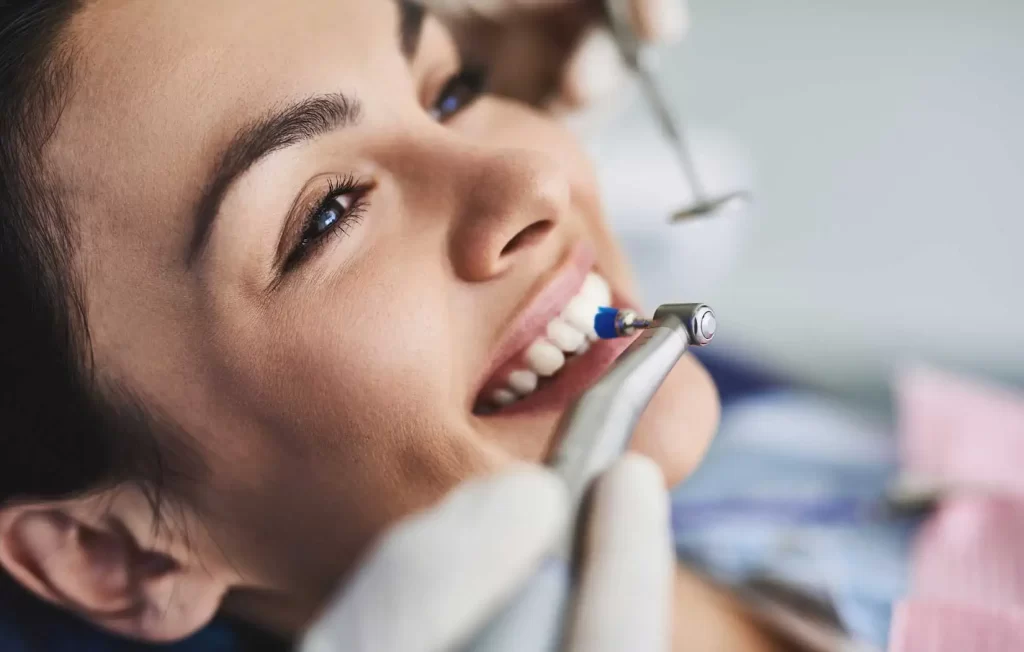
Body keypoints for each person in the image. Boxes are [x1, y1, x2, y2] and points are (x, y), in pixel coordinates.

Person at [3, 0, 790, 649]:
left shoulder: (781, 435)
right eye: (328, 216)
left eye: (451, 90)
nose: (535, 175)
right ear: (112, 554)